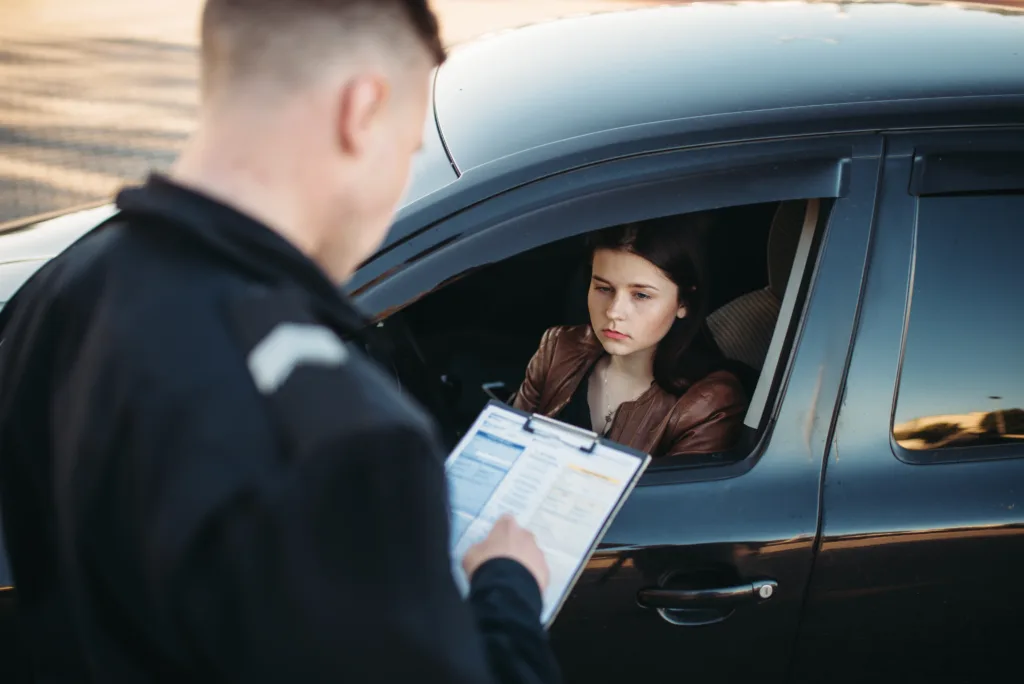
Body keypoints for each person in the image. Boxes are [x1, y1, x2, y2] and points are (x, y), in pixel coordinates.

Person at [0, 1, 561, 683]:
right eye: (409, 151)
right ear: (361, 109)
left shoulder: (58, 292)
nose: (395, 191)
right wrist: (507, 590)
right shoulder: (348, 442)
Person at [512, 219, 748, 458]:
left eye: (641, 295)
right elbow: (506, 448)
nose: (614, 312)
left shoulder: (707, 403)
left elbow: (673, 495)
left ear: (683, 302)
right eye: (604, 289)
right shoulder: (559, 349)